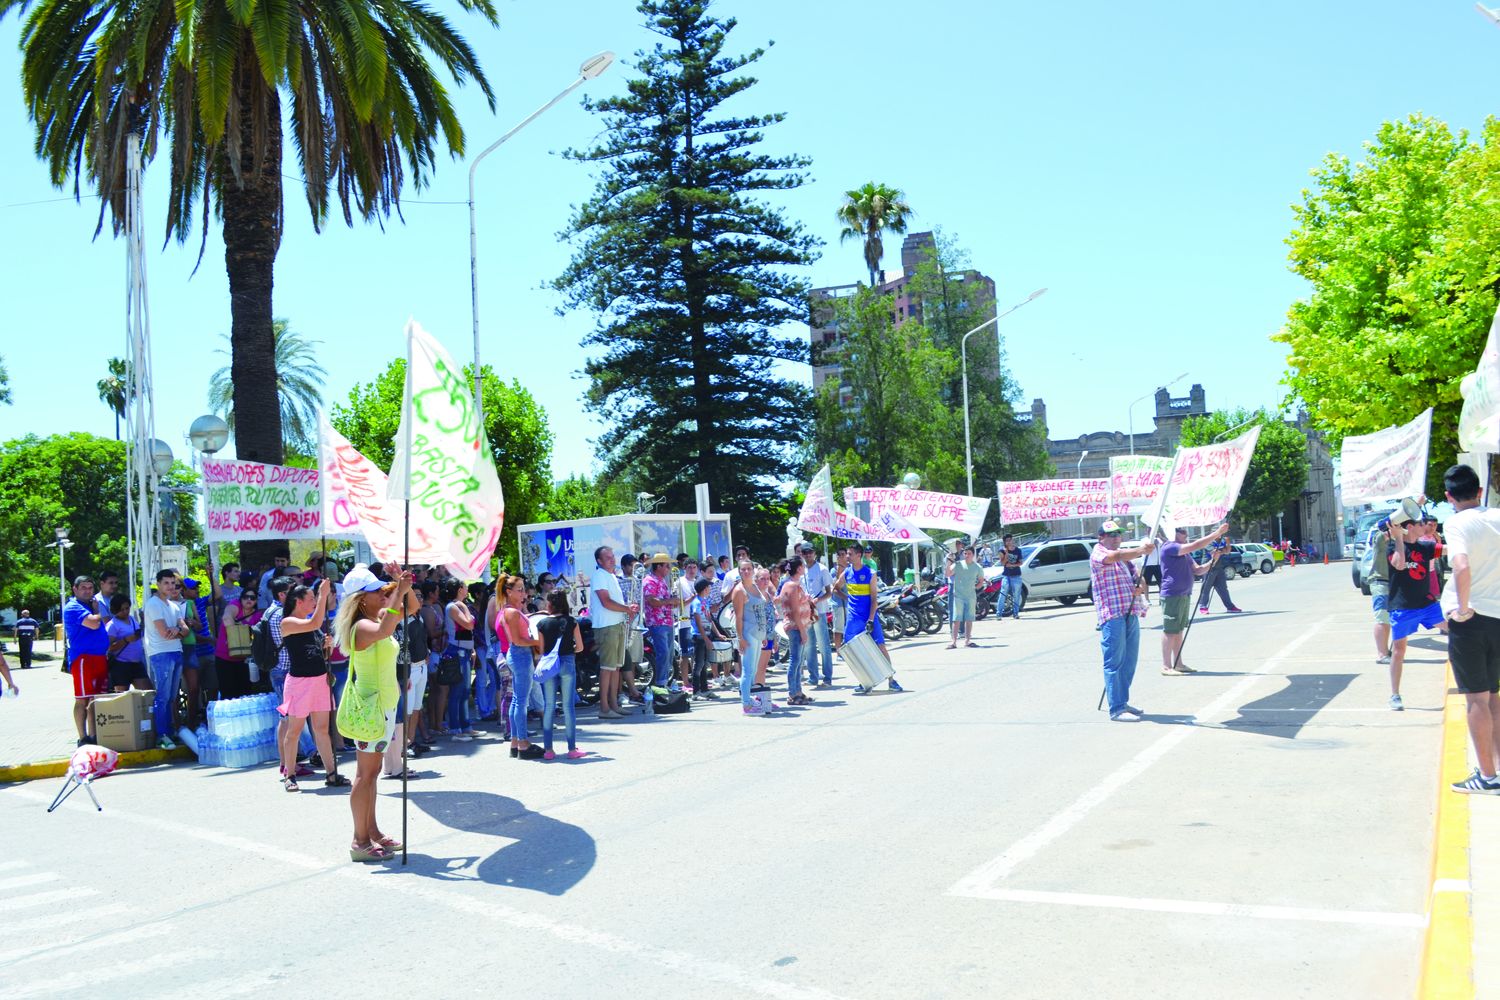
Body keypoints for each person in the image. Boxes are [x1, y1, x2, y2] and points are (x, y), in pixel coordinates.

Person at [334, 563, 411, 862]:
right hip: (371, 708)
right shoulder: (361, 627)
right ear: (360, 599)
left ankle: (373, 831)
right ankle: (359, 839)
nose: (382, 594)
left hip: (384, 706)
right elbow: (386, 628)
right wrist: (399, 590)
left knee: (373, 773)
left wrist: (399, 584)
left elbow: (409, 608)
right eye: (375, 591)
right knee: (364, 775)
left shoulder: (375, 616)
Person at [1438, 464, 1500, 793]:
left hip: (1471, 621)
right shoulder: (1498, 516)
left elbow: (1461, 566)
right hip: (1498, 619)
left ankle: (1488, 777)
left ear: (1449, 497)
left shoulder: (1457, 522)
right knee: (1493, 698)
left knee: (1476, 700)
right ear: (1479, 491)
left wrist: (1462, 608)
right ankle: (1497, 769)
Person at [276, 580, 348, 792]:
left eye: (315, 598)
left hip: (319, 680)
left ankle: (331, 773)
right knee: (294, 730)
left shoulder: (309, 622)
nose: (315, 602)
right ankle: (290, 774)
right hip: (299, 683)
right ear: (298, 602)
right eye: (311, 599)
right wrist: (324, 595)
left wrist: (325, 646)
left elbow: (316, 650)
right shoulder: (287, 622)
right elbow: (314, 624)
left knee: (322, 730)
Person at [1090, 520, 1153, 722]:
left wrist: (1138, 588)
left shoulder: (1125, 559)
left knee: (1129, 660)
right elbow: (1113, 556)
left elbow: (1136, 578)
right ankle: (1116, 708)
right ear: (1101, 537)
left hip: (1130, 611)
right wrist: (1141, 550)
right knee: (1114, 661)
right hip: (1112, 614)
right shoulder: (1099, 553)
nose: (1116, 537)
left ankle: (1122, 701)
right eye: (1112, 535)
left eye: (1118, 534)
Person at [1387, 512, 1444, 711]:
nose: (1426, 527)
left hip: (1427, 604)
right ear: (1410, 527)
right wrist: (1399, 539)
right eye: (1421, 524)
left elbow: (1447, 550)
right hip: (1402, 607)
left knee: (1457, 630)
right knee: (1399, 651)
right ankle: (1395, 695)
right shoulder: (1393, 547)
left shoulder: (1426, 546)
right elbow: (1400, 565)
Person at [1157, 523, 1229, 675]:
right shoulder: (1169, 547)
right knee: (1170, 630)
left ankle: (1178, 663)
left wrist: (1213, 561)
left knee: (1178, 630)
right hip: (1172, 594)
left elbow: (1198, 570)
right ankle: (1166, 666)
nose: (1186, 533)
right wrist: (1216, 533)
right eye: (1182, 531)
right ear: (1173, 532)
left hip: (1183, 594)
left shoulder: (1184, 553)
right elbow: (1196, 545)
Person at [840, 542, 903, 694]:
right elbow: (835, 587)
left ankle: (891, 680)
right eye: (847, 554)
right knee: (854, 649)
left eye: (850, 554)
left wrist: (870, 619)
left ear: (858, 555)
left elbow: (874, 599)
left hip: (869, 616)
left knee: (880, 646)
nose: (847, 556)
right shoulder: (846, 572)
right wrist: (847, 599)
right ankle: (864, 681)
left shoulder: (870, 573)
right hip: (853, 618)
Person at [535, 591, 588, 760]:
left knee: (549, 706)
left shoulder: (542, 623)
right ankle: (572, 749)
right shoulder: (572, 621)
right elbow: (579, 647)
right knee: (568, 707)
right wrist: (569, 649)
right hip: (567, 662)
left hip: (550, 665)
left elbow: (542, 651)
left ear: (549, 604)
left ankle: (548, 750)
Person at [500, 574, 546, 759]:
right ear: (509, 592)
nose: (523, 593)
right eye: (519, 590)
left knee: (518, 700)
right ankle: (523, 743)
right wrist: (539, 641)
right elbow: (518, 640)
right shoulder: (511, 612)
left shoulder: (511, 610)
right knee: (521, 701)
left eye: (523, 589)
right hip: (520, 656)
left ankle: (515, 742)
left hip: (518, 655)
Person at [143, 570, 189, 749]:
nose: (170, 587)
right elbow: (164, 633)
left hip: (176, 651)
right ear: (158, 584)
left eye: (173, 583)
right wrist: (177, 630)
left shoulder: (175, 605)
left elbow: (185, 630)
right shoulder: (153, 604)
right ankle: (161, 734)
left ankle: (169, 732)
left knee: (172, 697)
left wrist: (177, 630)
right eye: (166, 583)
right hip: (160, 654)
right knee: (163, 696)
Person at [590, 546, 637, 719]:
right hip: (606, 626)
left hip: (616, 625)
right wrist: (627, 609)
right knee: (607, 668)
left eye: (612, 555)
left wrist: (628, 610)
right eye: (607, 557)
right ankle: (604, 707)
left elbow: (613, 602)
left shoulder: (610, 576)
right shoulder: (599, 575)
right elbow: (606, 602)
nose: (612, 559)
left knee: (616, 667)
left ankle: (614, 705)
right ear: (599, 561)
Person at [63, 576, 109, 745]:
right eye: (84, 587)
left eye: (90, 587)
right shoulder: (73, 607)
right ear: (75, 589)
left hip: (99, 657)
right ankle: (83, 737)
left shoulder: (89, 605)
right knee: (83, 699)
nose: (88, 591)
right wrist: (97, 611)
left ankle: (94, 735)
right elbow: (93, 623)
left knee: (95, 699)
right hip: (83, 658)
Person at [732, 560, 772, 715]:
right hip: (748, 633)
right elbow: (738, 616)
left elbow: (760, 611)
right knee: (748, 670)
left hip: (758, 634)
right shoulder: (739, 591)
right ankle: (746, 704)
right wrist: (740, 638)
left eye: (749, 569)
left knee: (754, 669)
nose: (747, 572)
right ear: (739, 571)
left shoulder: (755, 586)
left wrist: (762, 635)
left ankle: (749, 698)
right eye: (743, 569)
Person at [444, 579, 483, 741]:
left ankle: (465, 726)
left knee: (465, 691)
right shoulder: (453, 606)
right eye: (465, 587)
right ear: (460, 589)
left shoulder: (458, 605)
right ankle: (455, 728)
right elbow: (468, 624)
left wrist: (472, 649)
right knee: (457, 691)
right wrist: (466, 608)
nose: (467, 590)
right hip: (457, 652)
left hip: (465, 651)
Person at [214, 587, 262, 700]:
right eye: (245, 597)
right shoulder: (235, 605)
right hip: (224, 658)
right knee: (228, 693)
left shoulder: (258, 615)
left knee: (245, 693)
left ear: (256, 601)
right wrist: (236, 635)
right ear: (241, 598)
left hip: (245, 660)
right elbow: (226, 618)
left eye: (252, 598)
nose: (249, 600)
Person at [779, 558, 815, 705]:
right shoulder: (792, 586)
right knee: (795, 661)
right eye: (802, 566)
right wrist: (803, 631)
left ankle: (798, 691)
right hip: (795, 627)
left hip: (797, 626)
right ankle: (792, 693)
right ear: (799, 568)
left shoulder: (791, 585)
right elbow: (794, 611)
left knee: (799, 661)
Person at [800, 543, 835, 689]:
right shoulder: (800, 570)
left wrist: (817, 600)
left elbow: (829, 592)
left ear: (814, 553)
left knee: (823, 645)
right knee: (809, 645)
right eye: (805, 552)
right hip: (804, 612)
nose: (808, 555)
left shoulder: (822, 569)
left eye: (810, 552)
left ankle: (827, 677)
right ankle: (813, 677)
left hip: (818, 611)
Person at [642, 552, 677, 691]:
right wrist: (670, 601)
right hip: (657, 622)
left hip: (666, 621)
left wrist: (672, 602)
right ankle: (661, 683)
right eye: (666, 566)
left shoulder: (661, 580)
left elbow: (662, 601)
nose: (668, 568)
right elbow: (652, 601)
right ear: (658, 567)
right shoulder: (649, 580)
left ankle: (664, 681)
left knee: (669, 653)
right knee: (663, 652)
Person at [104, 593, 152, 693]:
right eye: (122, 610)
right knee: (122, 698)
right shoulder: (112, 625)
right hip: (121, 664)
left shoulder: (132, 619)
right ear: (115, 610)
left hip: (136, 663)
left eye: (127, 608)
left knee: (148, 693)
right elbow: (108, 647)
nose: (125, 611)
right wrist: (125, 640)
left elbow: (139, 634)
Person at [945, 544, 984, 649]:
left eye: (969, 553)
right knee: (956, 619)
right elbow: (948, 574)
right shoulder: (958, 564)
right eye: (965, 553)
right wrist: (949, 561)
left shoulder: (977, 567)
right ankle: (953, 642)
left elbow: (981, 581)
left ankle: (967, 641)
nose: (966, 555)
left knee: (969, 619)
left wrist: (975, 587)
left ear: (973, 555)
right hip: (958, 596)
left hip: (970, 596)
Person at [1195, 535, 1243, 614]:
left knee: (1223, 588)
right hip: (1209, 568)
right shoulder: (1209, 542)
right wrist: (1223, 550)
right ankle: (1203, 606)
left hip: (1219, 567)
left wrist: (1227, 543)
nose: (1222, 535)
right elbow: (1215, 552)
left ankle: (1230, 607)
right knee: (1206, 588)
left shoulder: (1222, 541)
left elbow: (1228, 551)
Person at [1368, 519, 1394, 665]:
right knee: (1382, 618)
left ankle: (1385, 650)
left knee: (1388, 619)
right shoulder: (1379, 537)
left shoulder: (1396, 541)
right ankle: (1382, 654)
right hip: (1380, 582)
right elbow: (1383, 535)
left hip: (1391, 583)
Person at [675, 558, 699, 691]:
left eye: (694, 567)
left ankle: (697, 681)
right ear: (684, 568)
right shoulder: (679, 582)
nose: (692, 570)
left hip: (698, 621)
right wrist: (695, 595)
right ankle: (685, 682)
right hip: (685, 621)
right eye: (689, 567)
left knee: (698, 654)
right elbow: (679, 603)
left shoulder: (697, 582)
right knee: (685, 654)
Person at [1000, 535, 1025, 620]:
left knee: (1016, 595)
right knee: (1003, 593)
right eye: (1007, 540)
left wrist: (1012, 565)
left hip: (1016, 575)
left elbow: (1021, 562)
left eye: (1010, 540)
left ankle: (1015, 613)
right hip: (1006, 575)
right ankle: (999, 613)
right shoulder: (1002, 550)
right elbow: (1003, 563)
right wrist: (1006, 553)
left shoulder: (1018, 550)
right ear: (1004, 542)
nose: (1009, 542)